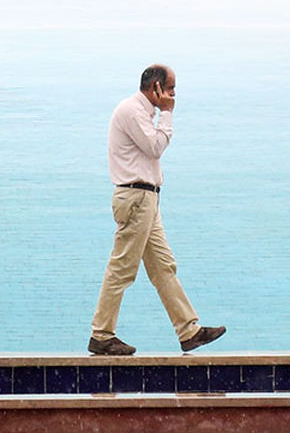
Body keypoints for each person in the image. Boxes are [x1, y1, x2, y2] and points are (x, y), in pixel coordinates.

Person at [88, 64, 225, 355]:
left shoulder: (140, 112)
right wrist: (168, 113)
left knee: (164, 267)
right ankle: (101, 334)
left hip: (146, 199)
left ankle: (189, 331)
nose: (174, 94)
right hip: (136, 198)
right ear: (156, 88)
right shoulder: (133, 111)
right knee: (122, 268)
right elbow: (155, 147)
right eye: (171, 89)